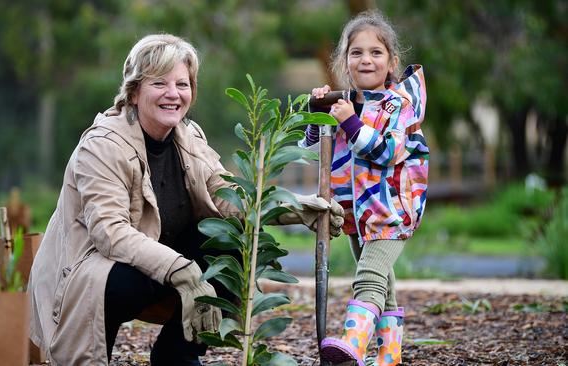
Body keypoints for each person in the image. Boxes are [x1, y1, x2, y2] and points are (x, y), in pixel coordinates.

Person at [27, 33, 344, 366]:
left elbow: (229, 199)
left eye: (182, 84)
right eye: (159, 83)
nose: (173, 94)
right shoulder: (103, 146)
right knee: (126, 278)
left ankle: (176, 355)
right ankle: (94, 353)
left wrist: (296, 208)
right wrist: (183, 270)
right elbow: (111, 233)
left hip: (157, 265)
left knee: (231, 245)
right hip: (87, 275)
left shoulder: (188, 137)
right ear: (134, 92)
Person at [301, 10, 428, 366]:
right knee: (383, 284)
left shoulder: (399, 105)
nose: (366, 59)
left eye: (376, 52)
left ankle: (353, 345)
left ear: (391, 62)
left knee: (369, 276)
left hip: (392, 208)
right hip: (356, 212)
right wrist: (318, 114)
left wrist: (351, 122)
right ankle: (389, 356)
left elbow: (389, 151)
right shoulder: (346, 104)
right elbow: (315, 155)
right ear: (344, 61)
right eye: (356, 52)